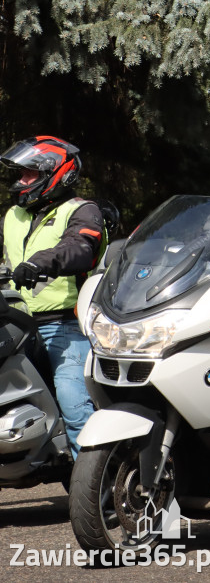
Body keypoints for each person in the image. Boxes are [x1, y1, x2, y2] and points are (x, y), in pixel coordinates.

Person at [0, 136, 106, 457]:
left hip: (65, 325)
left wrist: (39, 263)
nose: (21, 181)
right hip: (15, 323)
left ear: (57, 174)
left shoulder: (83, 211)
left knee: (72, 398)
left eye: (29, 174)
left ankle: (97, 482)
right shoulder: (13, 216)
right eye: (20, 174)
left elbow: (80, 248)